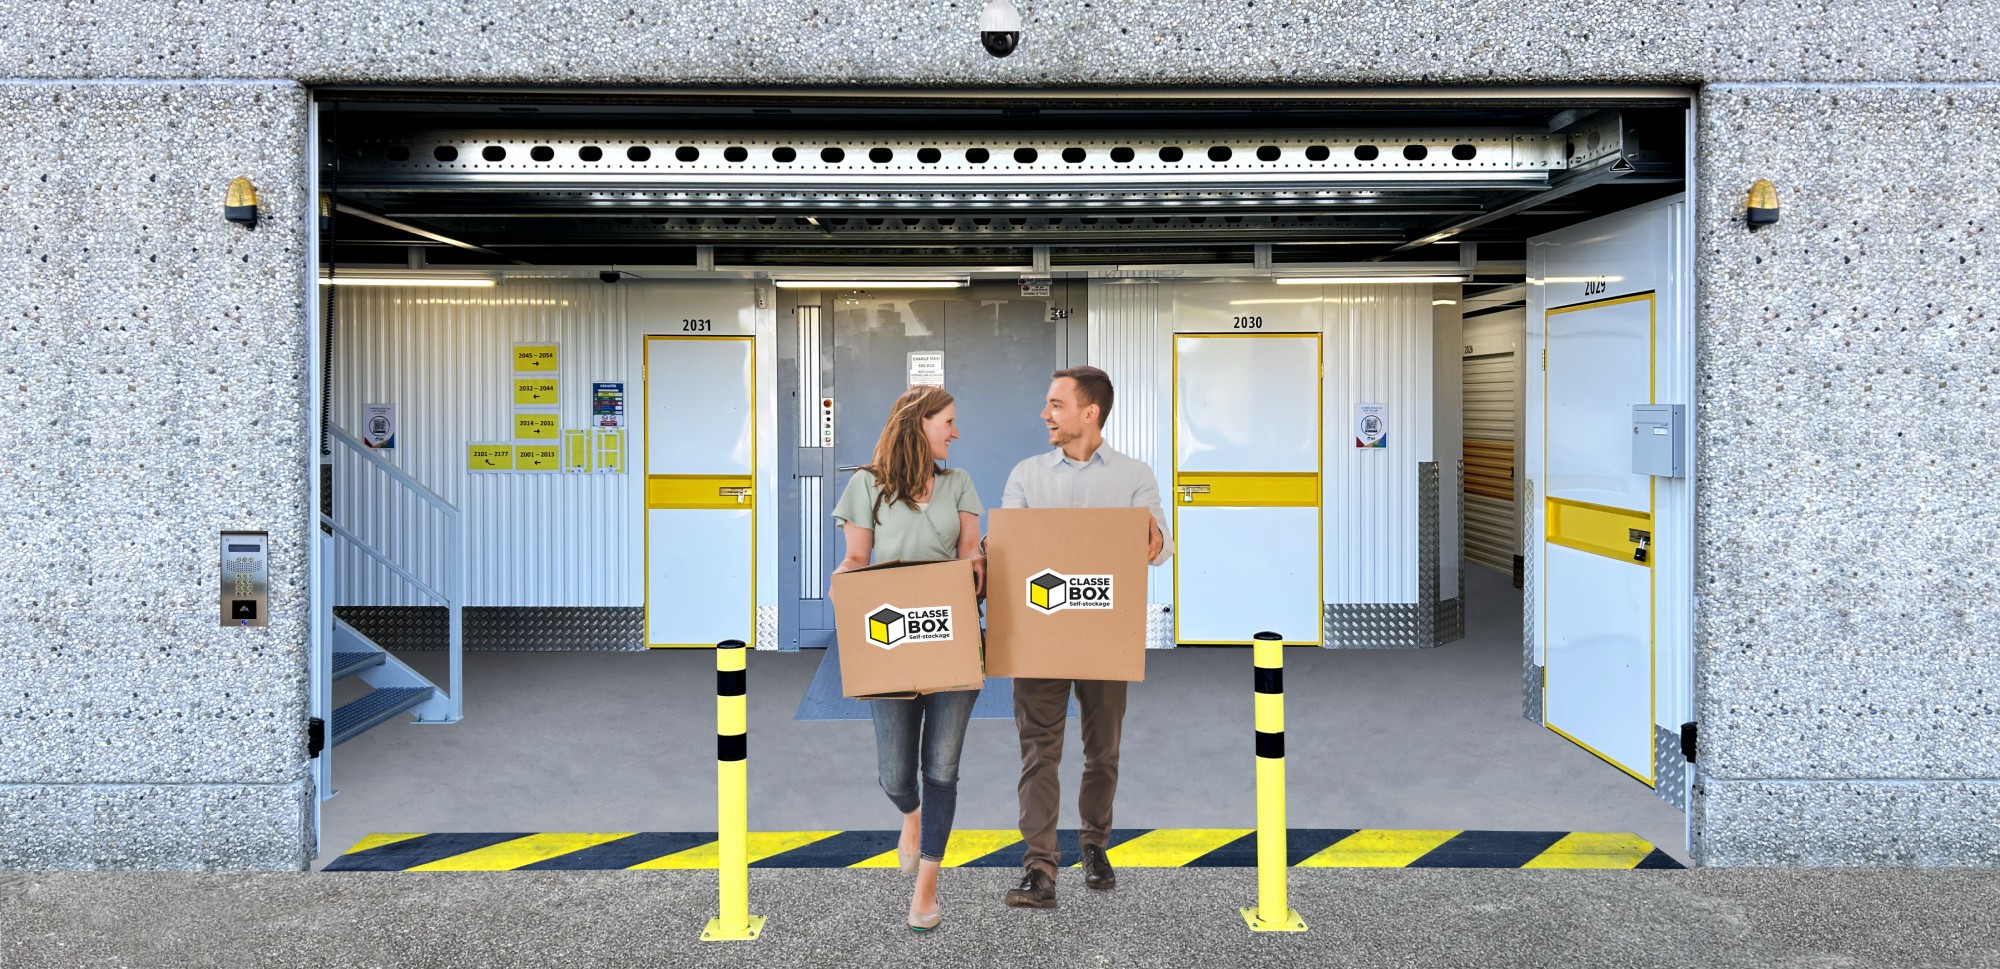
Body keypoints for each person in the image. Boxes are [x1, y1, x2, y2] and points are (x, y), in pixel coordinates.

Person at [998, 365, 1172, 909]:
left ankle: (1095, 844)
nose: (1045, 414)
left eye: (1056, 404)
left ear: (1089, 413)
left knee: (1103, 751)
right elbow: (1012, 548)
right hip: (1038, 635)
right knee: (1038, 752)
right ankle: (1039, 868)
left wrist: (1152, 537)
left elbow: (1160, 548)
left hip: (1103, 634)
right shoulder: (1026, 474)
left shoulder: (1134, 475)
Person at [831, 384, 987, 933]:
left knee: (941, 769)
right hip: (890, 645)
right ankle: (911, 816)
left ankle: (927, 885)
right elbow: (856, 559)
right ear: (920, 424)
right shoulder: (866, 487)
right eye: (948, 420)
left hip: (951, 643)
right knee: (896, 774)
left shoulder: (959, 484)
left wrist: (979, 568)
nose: (955, 431)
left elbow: (971, 553)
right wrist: (843, 584)